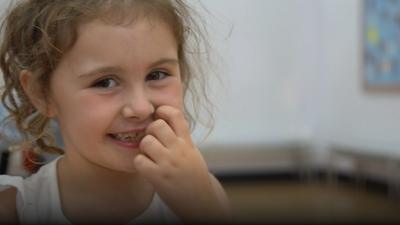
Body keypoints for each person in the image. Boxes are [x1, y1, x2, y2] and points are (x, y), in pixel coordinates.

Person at [0, 0, 231, 224]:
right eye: (105, 82)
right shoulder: (14, 209)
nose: (141, 108)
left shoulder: (203, 197)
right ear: (41, 93)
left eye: (157, 75)